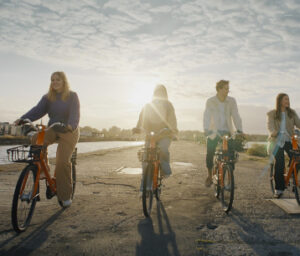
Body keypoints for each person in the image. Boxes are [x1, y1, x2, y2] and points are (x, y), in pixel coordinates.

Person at [15, 71, 80, 208]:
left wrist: (70, 125)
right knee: (36, 139)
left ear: (64, 81)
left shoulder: (72, 96)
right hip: (53, 128)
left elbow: (75, 114)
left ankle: (65, 196)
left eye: (58, 79)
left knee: (62, 162)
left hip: (69, 130)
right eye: (52, 80)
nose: (55, 82)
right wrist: (23, 118)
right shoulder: (48, 97)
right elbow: (37, 110)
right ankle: (44, 171)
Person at [133, 84, 178, 189]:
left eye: (161, 92)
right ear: (154, 94)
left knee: (162, 148)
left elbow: (172, 120)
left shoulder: (168, 105)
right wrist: (138, 128)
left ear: (165, 94)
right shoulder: (148, 105)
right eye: (157, 92)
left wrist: (172, 129)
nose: (159, 94)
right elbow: (142, 117)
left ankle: (165, 170)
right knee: (145, 159)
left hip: (164, 134)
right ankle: (143, 189)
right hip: (151, 135)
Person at [203, 80, 243, 187]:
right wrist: (206, 129)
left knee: (230, 155)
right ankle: (210, 175)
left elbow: (236, 115)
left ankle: (230, 178)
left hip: (227, 131)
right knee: (210, 153)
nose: (228, 91)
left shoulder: (231, 101)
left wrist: (239, 130)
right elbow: (206, 116)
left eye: (228, 88)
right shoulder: (210, 101)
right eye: (226, 88)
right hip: (213, 131)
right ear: (219, 89)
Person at [267, 93, 300, 198]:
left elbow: (299, 124)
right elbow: (270, 126)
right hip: (276, 141)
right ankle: (279, 188)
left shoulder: (291, 113)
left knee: (298, 157)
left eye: (288, 99)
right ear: (280, 100)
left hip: (289, 140)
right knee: (280, 162)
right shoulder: (272, 113)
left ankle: (292, 177)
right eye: (286, 99)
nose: (288, 101)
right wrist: (273, 132)